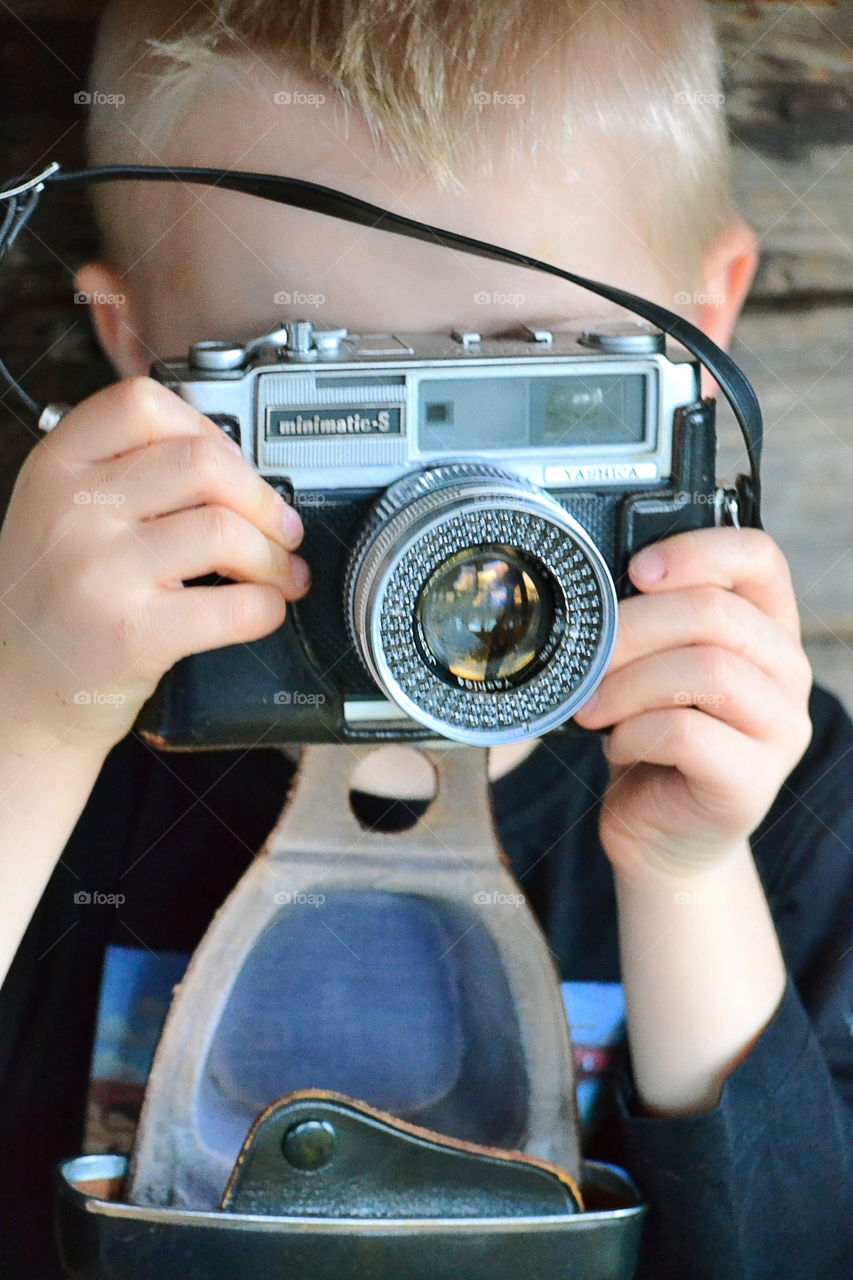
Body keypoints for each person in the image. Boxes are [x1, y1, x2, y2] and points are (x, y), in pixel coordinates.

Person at [0, 1, 850, 1276]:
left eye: (530, 368)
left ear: (698, 326)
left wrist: (690, 877)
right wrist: (34, 719)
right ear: (137, 354)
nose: (439, 491)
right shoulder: (70, 719)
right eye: (314, 381)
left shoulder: (769, 784)